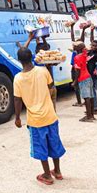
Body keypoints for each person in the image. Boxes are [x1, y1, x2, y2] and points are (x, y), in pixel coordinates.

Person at [14, 47, 66, 185]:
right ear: (32, 57)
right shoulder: (43, 71)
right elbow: (51, 85)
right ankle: (58, 171)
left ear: (19, 60)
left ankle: (47, 175)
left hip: (36, 121)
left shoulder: (18, 78)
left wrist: (17, 117)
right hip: (50, 116)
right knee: (54, 144)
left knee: (41, 148)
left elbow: (17, 99)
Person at [73, 42, 95, 122]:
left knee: (86, 97)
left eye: (74, 46)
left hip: (82, 78)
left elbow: (77, 71)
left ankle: (88, 116)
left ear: (77, 49)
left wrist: (75, 81)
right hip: (88, 77)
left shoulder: (77, 57)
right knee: (91, 96)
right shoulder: (84, 54)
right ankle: (92, 115)